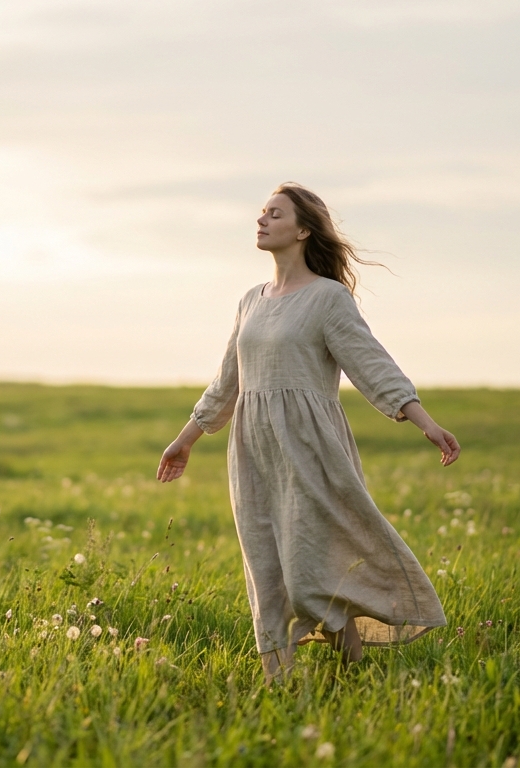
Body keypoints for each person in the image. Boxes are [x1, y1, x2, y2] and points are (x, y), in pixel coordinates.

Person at [156, 183, 459, 684]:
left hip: (312, 448)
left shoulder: (327, 298)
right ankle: (281, 684)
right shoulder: (249, 301)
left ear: (301, 230)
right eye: (261, 213)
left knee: (309, 574)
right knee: (268, 571)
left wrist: (424, 422)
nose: (261, 220)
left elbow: (371, 364)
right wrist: (186, 437)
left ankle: (354, 668)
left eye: (274, 214)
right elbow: (227, 382)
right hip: (254, 453)